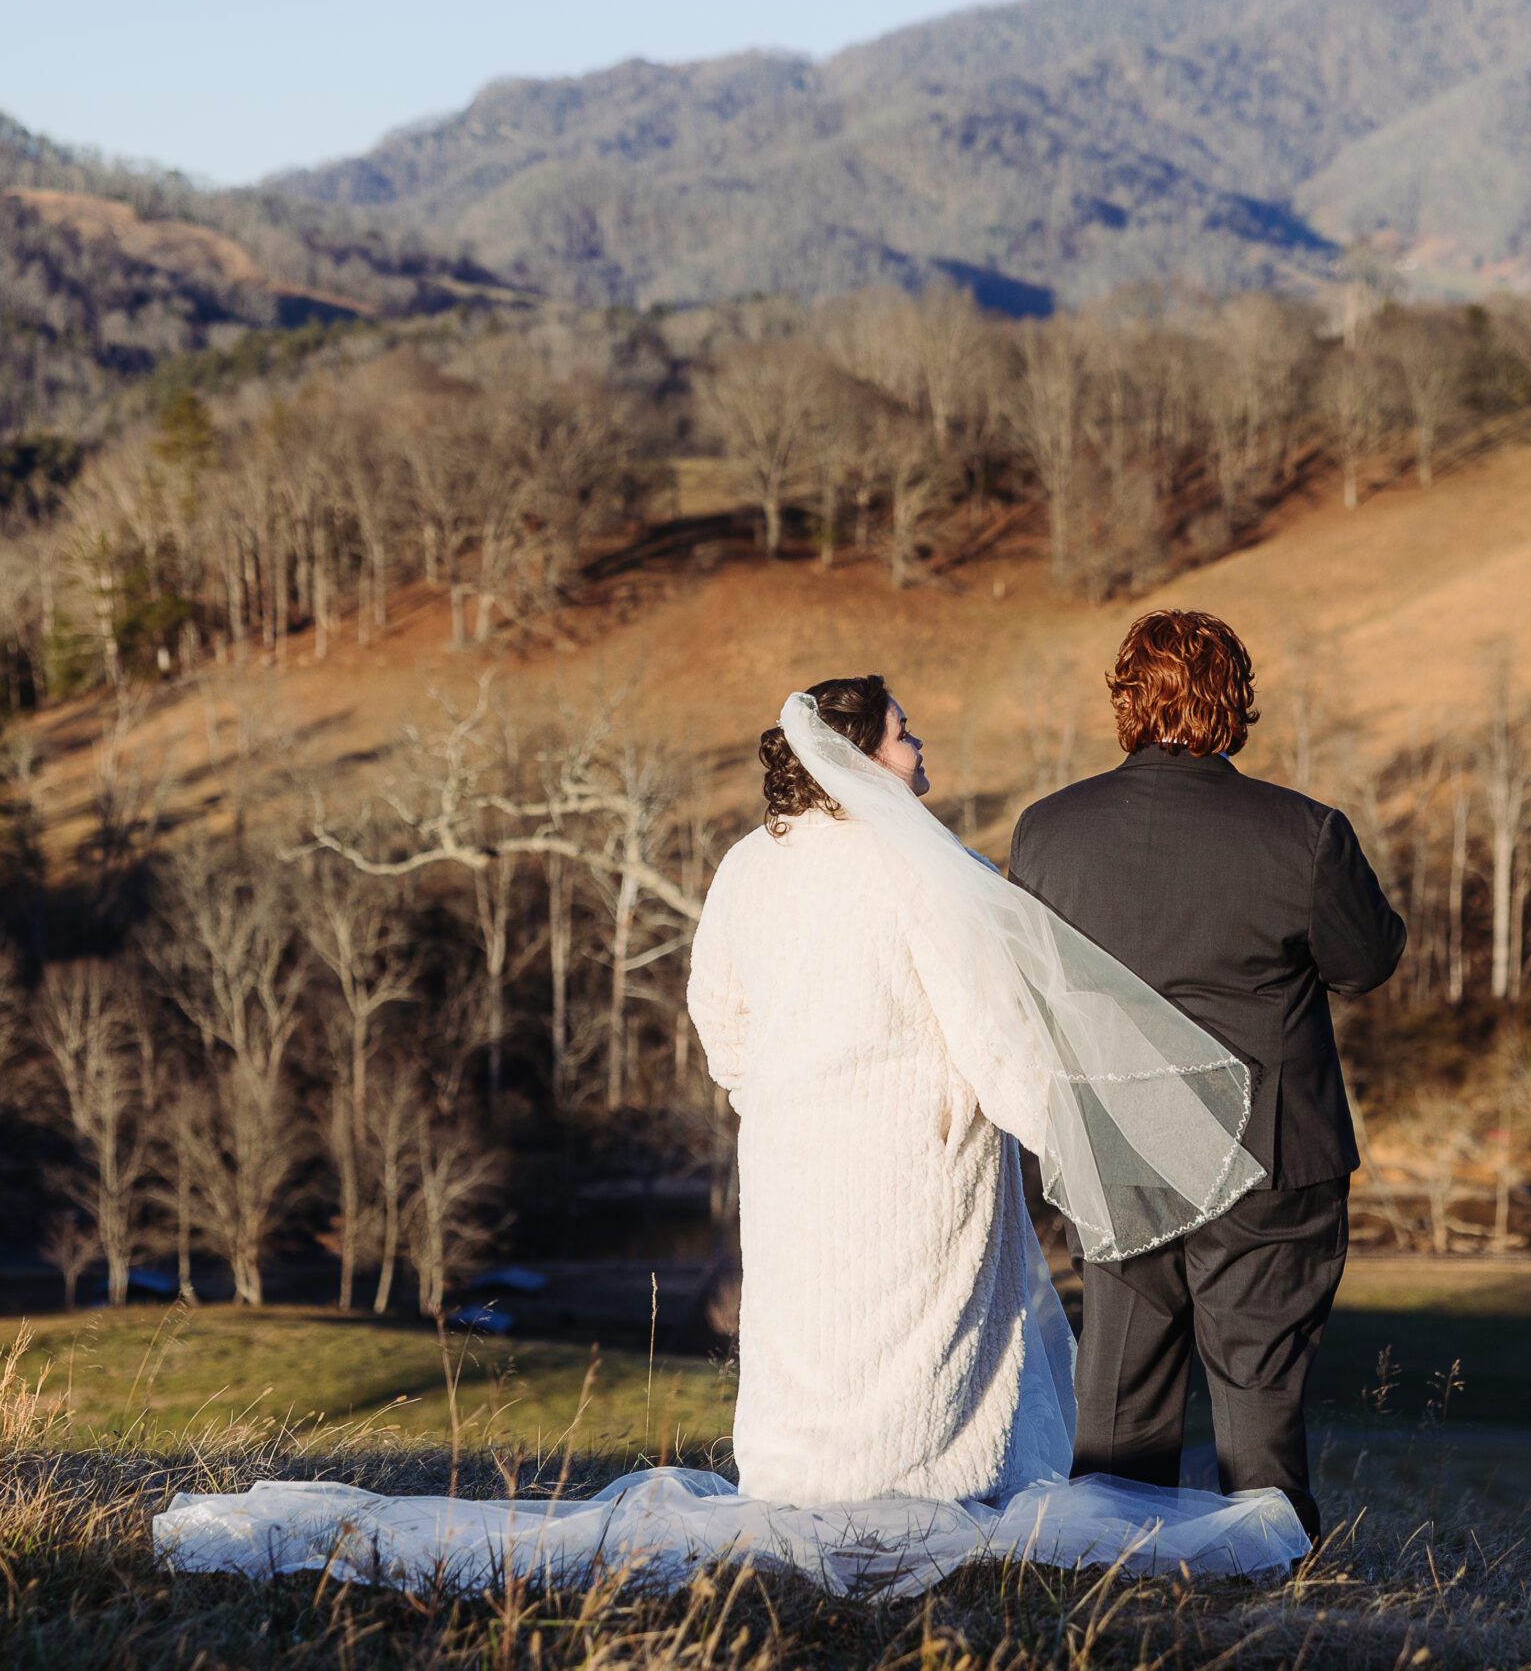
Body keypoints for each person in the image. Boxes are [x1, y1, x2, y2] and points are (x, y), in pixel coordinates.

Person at [153, 674, 1303, 1598]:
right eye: (906, 737)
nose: (924, 753)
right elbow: (995, 1033)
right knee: (920, 1322)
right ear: (856, 756)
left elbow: (720, 1017)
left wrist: (781, 1101)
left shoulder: (749, 865)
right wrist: (1081, 1135)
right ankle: (922, 1484)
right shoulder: (920, 868)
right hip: (915, 1157)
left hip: (799, 1158)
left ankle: (809, 1480)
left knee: (814, 1323)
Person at [1009, 611, 1406, 1540]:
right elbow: (1367, 961)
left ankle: (1109, 1587)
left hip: (1117, 1153)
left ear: (1126, 700)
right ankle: (1270, 1586)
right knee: (1259, 1389)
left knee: (1118, 1390)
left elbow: (1028, 986)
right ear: (1235, 703)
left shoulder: (1047, 833)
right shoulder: (1303, 834)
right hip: (1267, 1153)